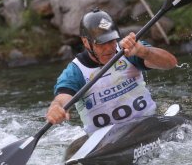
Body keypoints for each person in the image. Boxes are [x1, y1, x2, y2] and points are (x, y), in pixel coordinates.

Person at [46, 8, 177, 135]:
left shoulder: (130, 50)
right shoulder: (75, 71)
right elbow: (63, 98)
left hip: (147, 124)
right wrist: (56, 107)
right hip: (105, 140)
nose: (109, 48)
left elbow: (171, 63)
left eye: (112, 40)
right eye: (101, 43)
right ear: (86, 42)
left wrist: (144, 52)